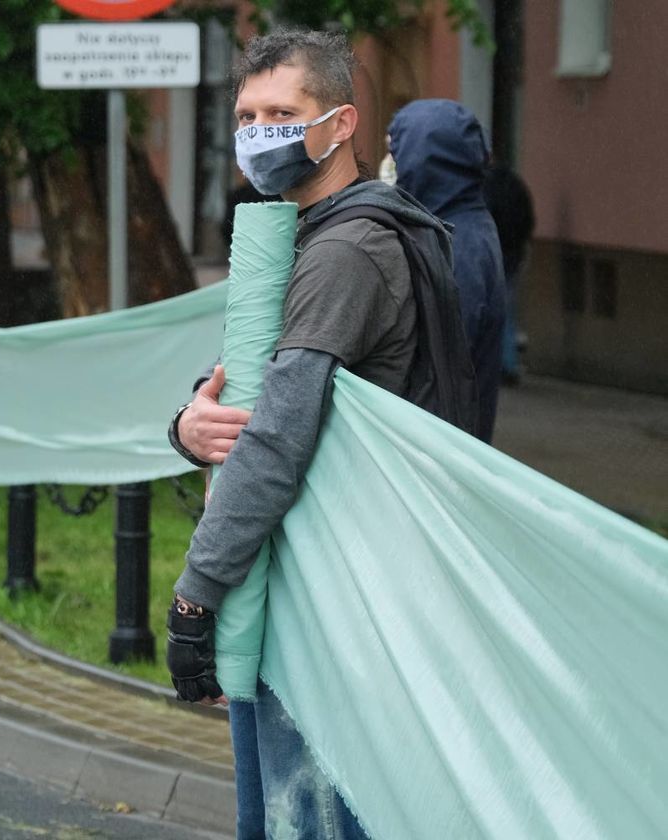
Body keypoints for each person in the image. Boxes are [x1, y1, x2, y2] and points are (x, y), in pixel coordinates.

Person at [165, 29, 476, 840]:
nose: (258, 132)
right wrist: (189, 425)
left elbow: (278, 437)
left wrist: (196, 594)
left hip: (335, 594)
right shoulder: (307, 233)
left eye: (282, 113)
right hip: (320, 573)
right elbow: (246, 393)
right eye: (246, 115)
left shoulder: (348, 250)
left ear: (340, 125)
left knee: (309, 819)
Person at [389, 100, 506, 442]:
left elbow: (436, 364)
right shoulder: (451, 225)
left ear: (423, 158)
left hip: (434, 452)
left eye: (396, 150)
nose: (390, 164)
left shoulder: (458, 244)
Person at [483, 163, 535, 384]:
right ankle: (509, 363)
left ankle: (503, 364)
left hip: (498, 250)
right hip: (514, 250)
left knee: (496, 308)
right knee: (507, 307)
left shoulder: (487, 188)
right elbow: (528, 218)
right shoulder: (513, 184)